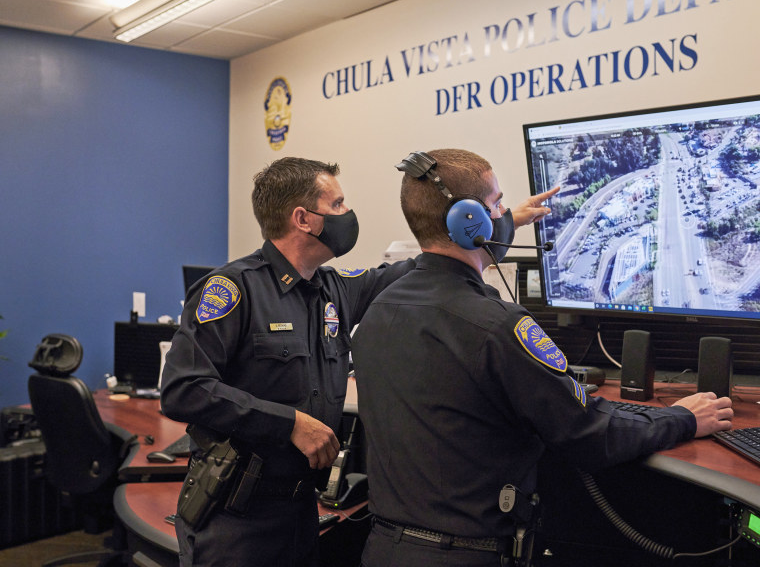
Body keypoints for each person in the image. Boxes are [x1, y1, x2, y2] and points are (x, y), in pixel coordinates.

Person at [159, 155, 558, 567]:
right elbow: (181, 390)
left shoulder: (333, 289)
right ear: (303, 219)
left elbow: (430, 264)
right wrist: (289, 423)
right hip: (236, 518)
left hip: (299, 511)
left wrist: (498, 221)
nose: (348, 213)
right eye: (338, 204)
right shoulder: (232, 290)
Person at [352, 148, 734, 567]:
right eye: (497, 204)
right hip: (468, 555)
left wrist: (506, 215)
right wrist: (683, 417)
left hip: (383, 547)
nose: (504, 214)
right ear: (470, 223)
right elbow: (589, 431)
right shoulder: (496, 325)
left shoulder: (378, 311)